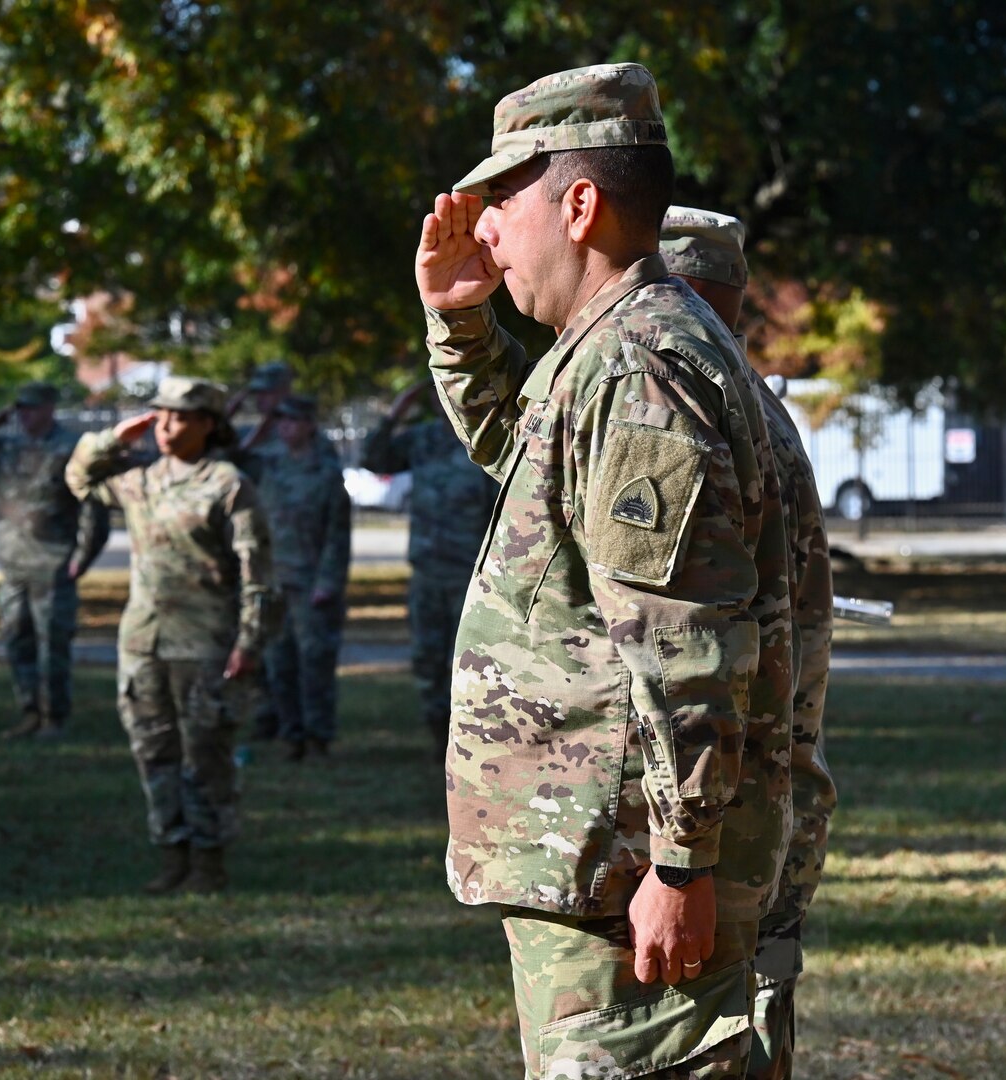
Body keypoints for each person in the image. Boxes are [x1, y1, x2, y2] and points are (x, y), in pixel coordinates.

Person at [415, 62, 794, 1077]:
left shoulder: (640, 366)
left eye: (502, 198)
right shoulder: (608, 351)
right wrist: (460, 323)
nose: (482, 228)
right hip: (597, 864)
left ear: (579, 204)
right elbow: (536, 482)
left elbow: (685, 641)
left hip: (626, 874)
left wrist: (682, 860)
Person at [660, 206, 837, 1080]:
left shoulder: (709, 410)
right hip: (767, 790)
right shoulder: (751, 405)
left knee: (724, 1041)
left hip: (736, 804)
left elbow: (697, 638)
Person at [64, 376, 271, 894]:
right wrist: (116, 437)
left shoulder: (227, 484)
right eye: (160, 415)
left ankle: (208, 860)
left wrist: (250, 641)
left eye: (179, 416)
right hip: (143, 643)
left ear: (208, 424)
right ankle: (171, 852)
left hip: (205, 644)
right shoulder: (140, 479)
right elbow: (80, 479)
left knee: (205, 756)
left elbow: (258, 572)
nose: (166, 426)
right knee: (153, 751)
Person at [359, 380, 498, 750]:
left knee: (469, 662)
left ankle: (470, 740)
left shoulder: (484, 439)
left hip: (469, 576)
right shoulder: (421, 439)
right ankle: (439, 737)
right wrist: (393, 415)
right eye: (438, 391)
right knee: (427, 657)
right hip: (426, 573)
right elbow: (373, 459)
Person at [0, 382, 110, 739]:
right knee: (17, 640)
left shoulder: (69, 449)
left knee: (53, 644)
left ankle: (54, 717)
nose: (24, 415)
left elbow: (94, 510)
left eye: (31, 408)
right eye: (19, 408)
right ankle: (29, 710)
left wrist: (83, 557)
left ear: (49, 407)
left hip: (53, 563)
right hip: (13, 561)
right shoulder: (8, 447)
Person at [241, 394, 350, 759]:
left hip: (311, 584)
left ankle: (318, 736)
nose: (285, 427)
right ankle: (291, 736)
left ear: (309, 425)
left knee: (314, 662)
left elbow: (338, 536)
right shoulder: (267, 467)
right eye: (280, 421)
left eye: (292, 420)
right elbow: (229, 455)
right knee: (278, 662)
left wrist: (327, 583)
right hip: (274, 582)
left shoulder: (326, 472)